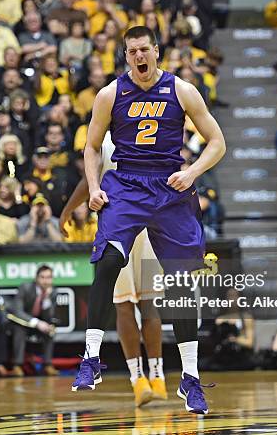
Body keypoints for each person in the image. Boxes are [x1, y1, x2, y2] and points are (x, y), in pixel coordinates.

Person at [71, 26, 225, 415]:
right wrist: (93, 188)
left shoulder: (182, 90)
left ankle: (189, 380)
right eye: (131, 51)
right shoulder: (110, 94)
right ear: (126, 56)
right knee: (107, 262)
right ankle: (91, 358)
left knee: (179, 284)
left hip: (171, 188)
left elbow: (217, 141)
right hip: (125, 185)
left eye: (144, 49)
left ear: (156, 51)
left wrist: (193, 174)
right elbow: (90, 147)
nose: (139, 56)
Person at [61, 131, 168, 407]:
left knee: (142, 303)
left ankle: (151, 377)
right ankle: (143, 379)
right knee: (131, 303)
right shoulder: (105, 136)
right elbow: (89, 180)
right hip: (125, 224)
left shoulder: (141, 127)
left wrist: (66, 210)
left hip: (139, 224)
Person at [8, 265, 59, 377]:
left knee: (50, 329)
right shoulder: (25, 288)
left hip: (39, 324)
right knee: (19, 328)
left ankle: (47, 365)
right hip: (23, 322)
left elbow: (49, 317)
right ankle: (18, 365)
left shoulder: (53, 292)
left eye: (49, 277)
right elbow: (18, 312)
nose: (46, 281)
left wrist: (47, 299)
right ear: (36, 278)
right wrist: (37, 323)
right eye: (42, 277)